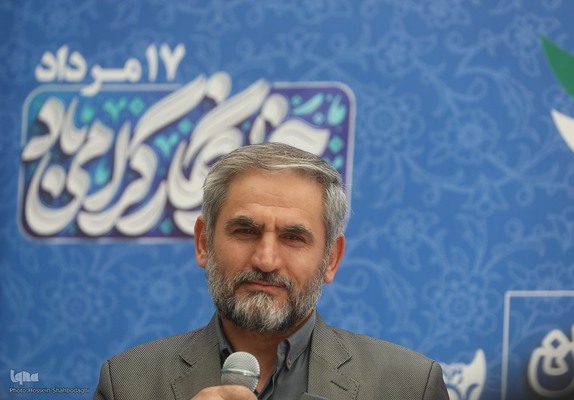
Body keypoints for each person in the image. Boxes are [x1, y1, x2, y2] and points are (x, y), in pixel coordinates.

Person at [94, 142, 449, 400]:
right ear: (203, 242)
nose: (265, 260)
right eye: (245, 231)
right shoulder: (127, 383)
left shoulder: (408, 385)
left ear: (331, 258)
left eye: (293, 237)